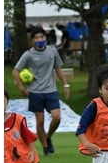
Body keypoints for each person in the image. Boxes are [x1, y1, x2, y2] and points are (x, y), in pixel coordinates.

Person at [12, 26, 71, 156]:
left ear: (45, 38)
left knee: (57, 117)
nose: (40, 39)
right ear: (32, 40)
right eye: (37, 38)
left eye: (42, 37)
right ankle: (45, 147)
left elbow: (58, 69)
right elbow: (15, 71)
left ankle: (48, 137)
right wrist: (21, 87)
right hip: (35, 92)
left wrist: (66, 85)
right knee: (40, 121)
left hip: (51, 90)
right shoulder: (28, 54)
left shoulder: (52, 51)